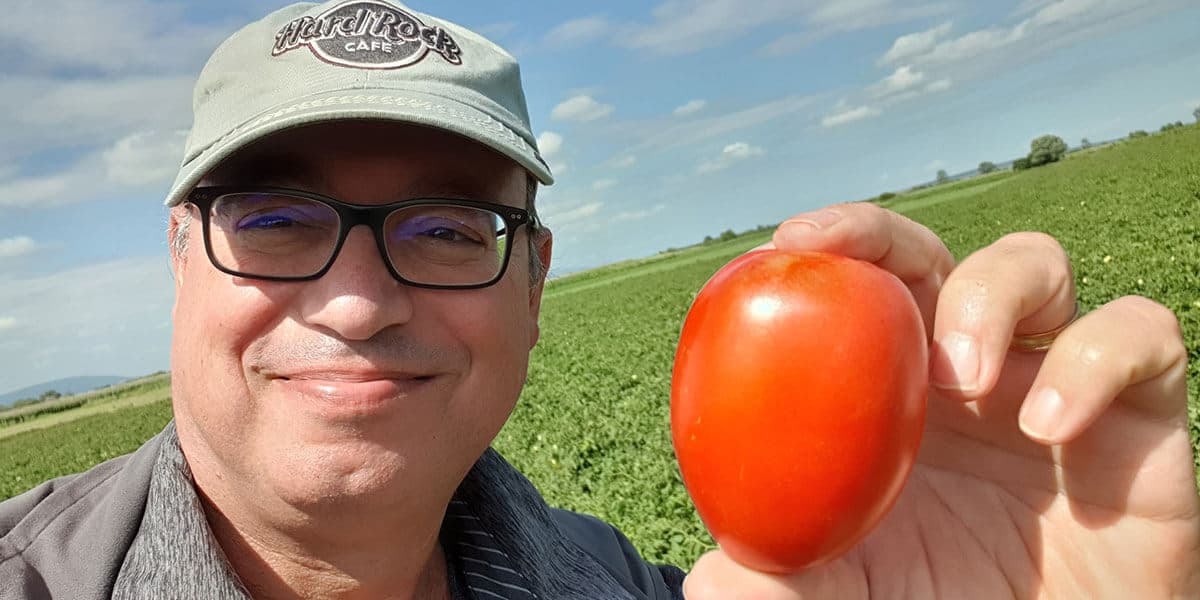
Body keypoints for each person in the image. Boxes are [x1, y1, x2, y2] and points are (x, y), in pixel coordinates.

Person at [2, 1, 1197, 598]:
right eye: (274, 220)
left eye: (448, 227)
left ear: (534, 279)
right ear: (178, 257)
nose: (358, 303)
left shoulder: (617, 583)